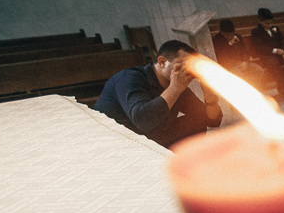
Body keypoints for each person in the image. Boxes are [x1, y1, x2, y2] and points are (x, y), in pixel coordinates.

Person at [94, 40, 222, 148]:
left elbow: (212, 121)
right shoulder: (129, 78)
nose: (188, 70)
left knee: (196, 121)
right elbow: (143, 120)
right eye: (183, 63)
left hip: (148, 137)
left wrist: (209, 96)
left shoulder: (177, 86)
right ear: (162, 62)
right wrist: (175, 89)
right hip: (116, 143)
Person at [247, 7, 284, 99]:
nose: (269, 25)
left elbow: (283, 41)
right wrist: (275, 50)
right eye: (267, 23)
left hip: (280, 55)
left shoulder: (275, 29)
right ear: (260, 21)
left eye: (271, 22)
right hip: (267, 56)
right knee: (276, 66)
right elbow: (259, 47)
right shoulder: (256, 31)